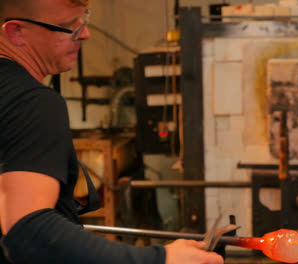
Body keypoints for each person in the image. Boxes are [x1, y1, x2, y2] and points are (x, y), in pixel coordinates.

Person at [0, 0, 224, 263]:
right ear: (16, 31)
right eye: (68, 26)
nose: (85, 33)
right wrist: (159, 259)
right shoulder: (31, 103)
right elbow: (28, 231)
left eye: (83, 19)